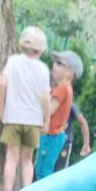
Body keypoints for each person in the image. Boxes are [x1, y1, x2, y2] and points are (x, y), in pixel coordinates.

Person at [0, 26, 51, 191]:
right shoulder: (43, 69)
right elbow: (46, 97)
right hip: (33, 120)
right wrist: (46, 120)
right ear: (41, 50)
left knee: (11, 157)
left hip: (13, 117)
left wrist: (2, 109)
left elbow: (2, 84)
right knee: (27, 159)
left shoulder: (13, 61)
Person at [35, 50, 83, 180]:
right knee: (45, 168)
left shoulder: (61, 89)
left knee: (42, 171)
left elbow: (49, 111)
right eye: (54, 62)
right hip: (56, 135)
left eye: (59, 63)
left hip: (51, 135)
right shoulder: (67, 89)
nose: (54, 65)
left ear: (69, 72)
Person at [53, 102, 92, 172]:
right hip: (49, 141)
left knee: (60, 170)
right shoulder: (49, 101)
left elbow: (83, 122)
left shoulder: (69, 104)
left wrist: (86, 144)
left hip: (64, 143)